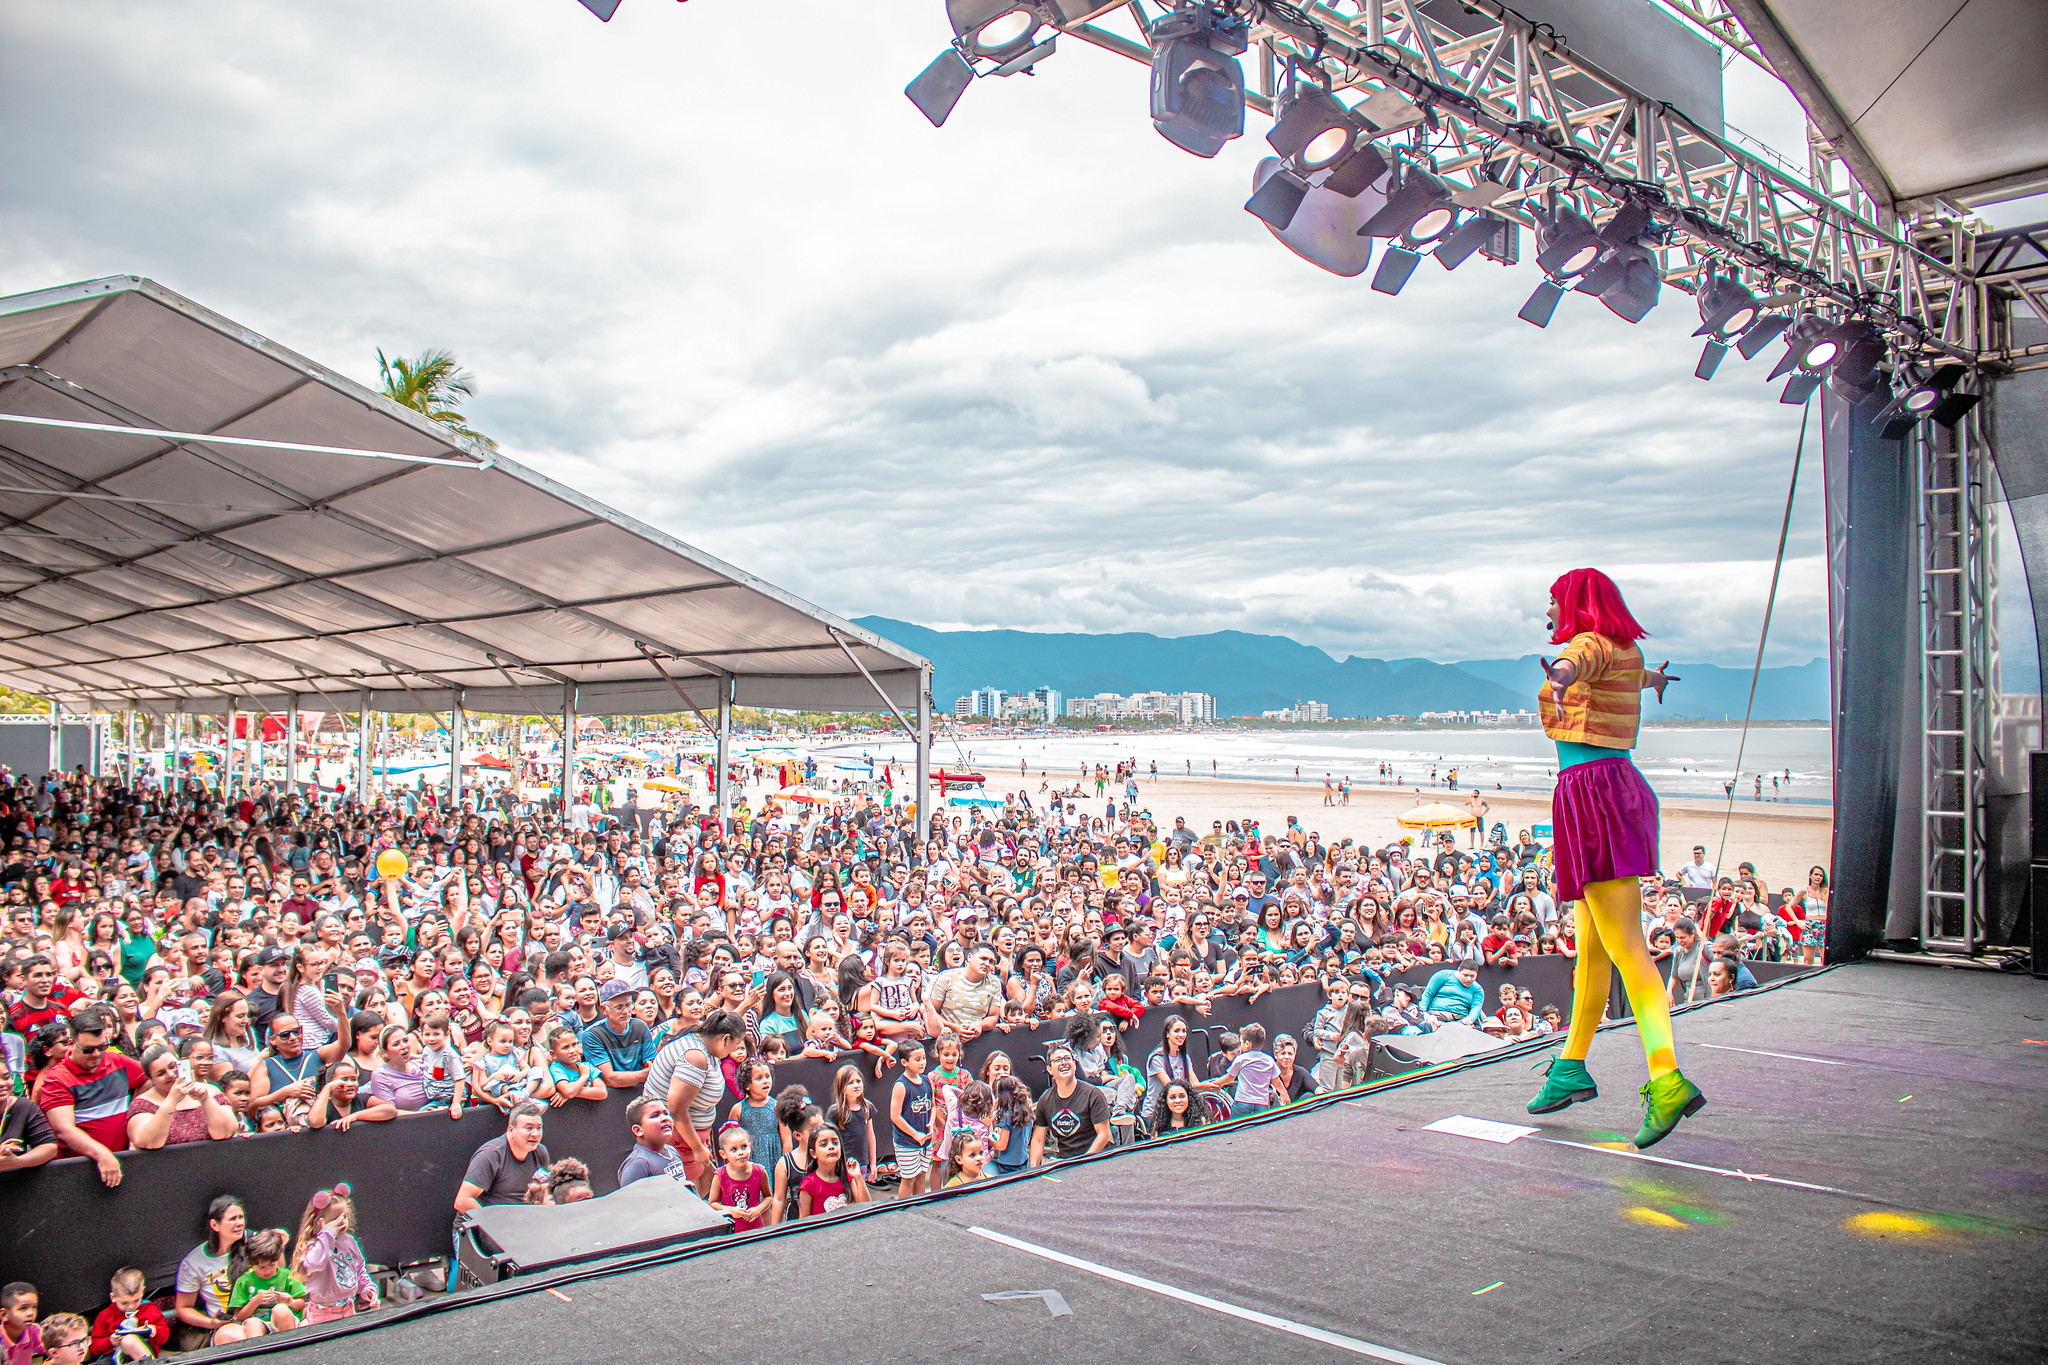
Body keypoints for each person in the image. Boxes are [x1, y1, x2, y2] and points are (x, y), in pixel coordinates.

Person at [1523, 568, 1704, 1148]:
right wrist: (1653, 679)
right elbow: (1625, 671)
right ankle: (1571, 1066)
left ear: (1575, 603)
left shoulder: (1589, 645)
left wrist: (1564, 672)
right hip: (1609, 789)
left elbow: (1582, 662)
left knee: (1628, 952)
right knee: (1593, 950)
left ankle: (1666, 1076)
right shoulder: (1624, 651)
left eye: (1552, 601)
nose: (1546, 611)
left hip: (1593, 796)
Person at [37, 1005, 145, 1187]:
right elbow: (63, 1129)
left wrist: (135, 1113)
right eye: (88, 1050)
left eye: (102, 1047)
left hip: (120, 1161)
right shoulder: (57, 1079)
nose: (96, 1054)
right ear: (70, 1044)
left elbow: (149, 1078)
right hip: (78, 1172)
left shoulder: (117, 1061)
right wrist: (101, 1154)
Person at [454, 1101, 550, 1244]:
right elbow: (462, 1201)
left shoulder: (541, 1152)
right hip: (477, 1234)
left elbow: (543, 1192)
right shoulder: (491, 1155)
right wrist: (498, 1225)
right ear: (511, 1130)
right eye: (528, 1128)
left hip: (520, 1229)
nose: (535, 1134)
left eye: (539, 1128)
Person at [293, 1184, 379, 1324]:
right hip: (321, 1312)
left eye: (344, 1216)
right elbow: (315, 1263)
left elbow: (359, 1270)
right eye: (335, 1219)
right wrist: (328, 1234)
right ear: (320, 1222)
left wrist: (368, 1288)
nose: (342, 1221)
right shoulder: (314, 1246)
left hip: (347, 1307)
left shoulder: (350, 1242)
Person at [1029, 1045, 1110, 1165]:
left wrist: (1082, 1164)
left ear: (1075, 1065)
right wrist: (1034, 1171)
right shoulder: (1045, 1100)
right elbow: (1038, 1140)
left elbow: (1103, 1135)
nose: (1064, 1063)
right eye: (1058, 1060)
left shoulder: (1093, 1095)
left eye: (1067, 1058)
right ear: (1050, 1070)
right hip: (1065, 1164)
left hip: (1095, 1162)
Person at [226, 1229, 304, 1334]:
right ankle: (258, 1350)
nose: (267, 1270)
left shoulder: (288, 1275)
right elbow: (239, 1317)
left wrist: (290, 1302)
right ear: (251, 1264)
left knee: (280, 1309)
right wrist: (256, 1301)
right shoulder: (244, 1281)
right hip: (260, 1324)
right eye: (261, 1267)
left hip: (285, 1321)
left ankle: (289, 1345)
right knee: (253, 1323)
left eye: (272, 1265)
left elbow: (301, 1304)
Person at [89, 1268, 169, 1363]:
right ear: (113, 1297)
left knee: (129, 1341)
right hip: (113, 1356)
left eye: (136, 1300)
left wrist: (154, 1331)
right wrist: (110, 1341)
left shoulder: (149, 1309)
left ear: (142, 1291)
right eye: (124, 1303)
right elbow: (93, 1348)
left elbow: (164, 1336)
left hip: (143, 1356)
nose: (131, 1306)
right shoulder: (105, 1315)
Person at [705, 1124, 769, 1232]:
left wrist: (758, 1210)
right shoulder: (720, 1175)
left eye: (744, 1147)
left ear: (750, 1146)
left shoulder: (759, 1171)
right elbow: (712, 1203)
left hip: (756, 1228)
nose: (740, 1153)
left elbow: (768, 1197)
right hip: (731, 1230)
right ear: (723, 1154)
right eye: (734, 1150)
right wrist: (730, 1211)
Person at [617, 1095, 687, 1187]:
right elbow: (630, 1200)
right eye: (655, 1115)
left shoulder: (671, 1150)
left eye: (666, 1113)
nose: (664, 1118)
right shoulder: (638, 1163)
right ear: (638, 1130)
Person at [0, 1284, 40, 1365]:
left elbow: (54, 1350)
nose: (31, 1313)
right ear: (4, 1315)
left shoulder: (34, 1330)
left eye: (34, 1307)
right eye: (23, 1308)